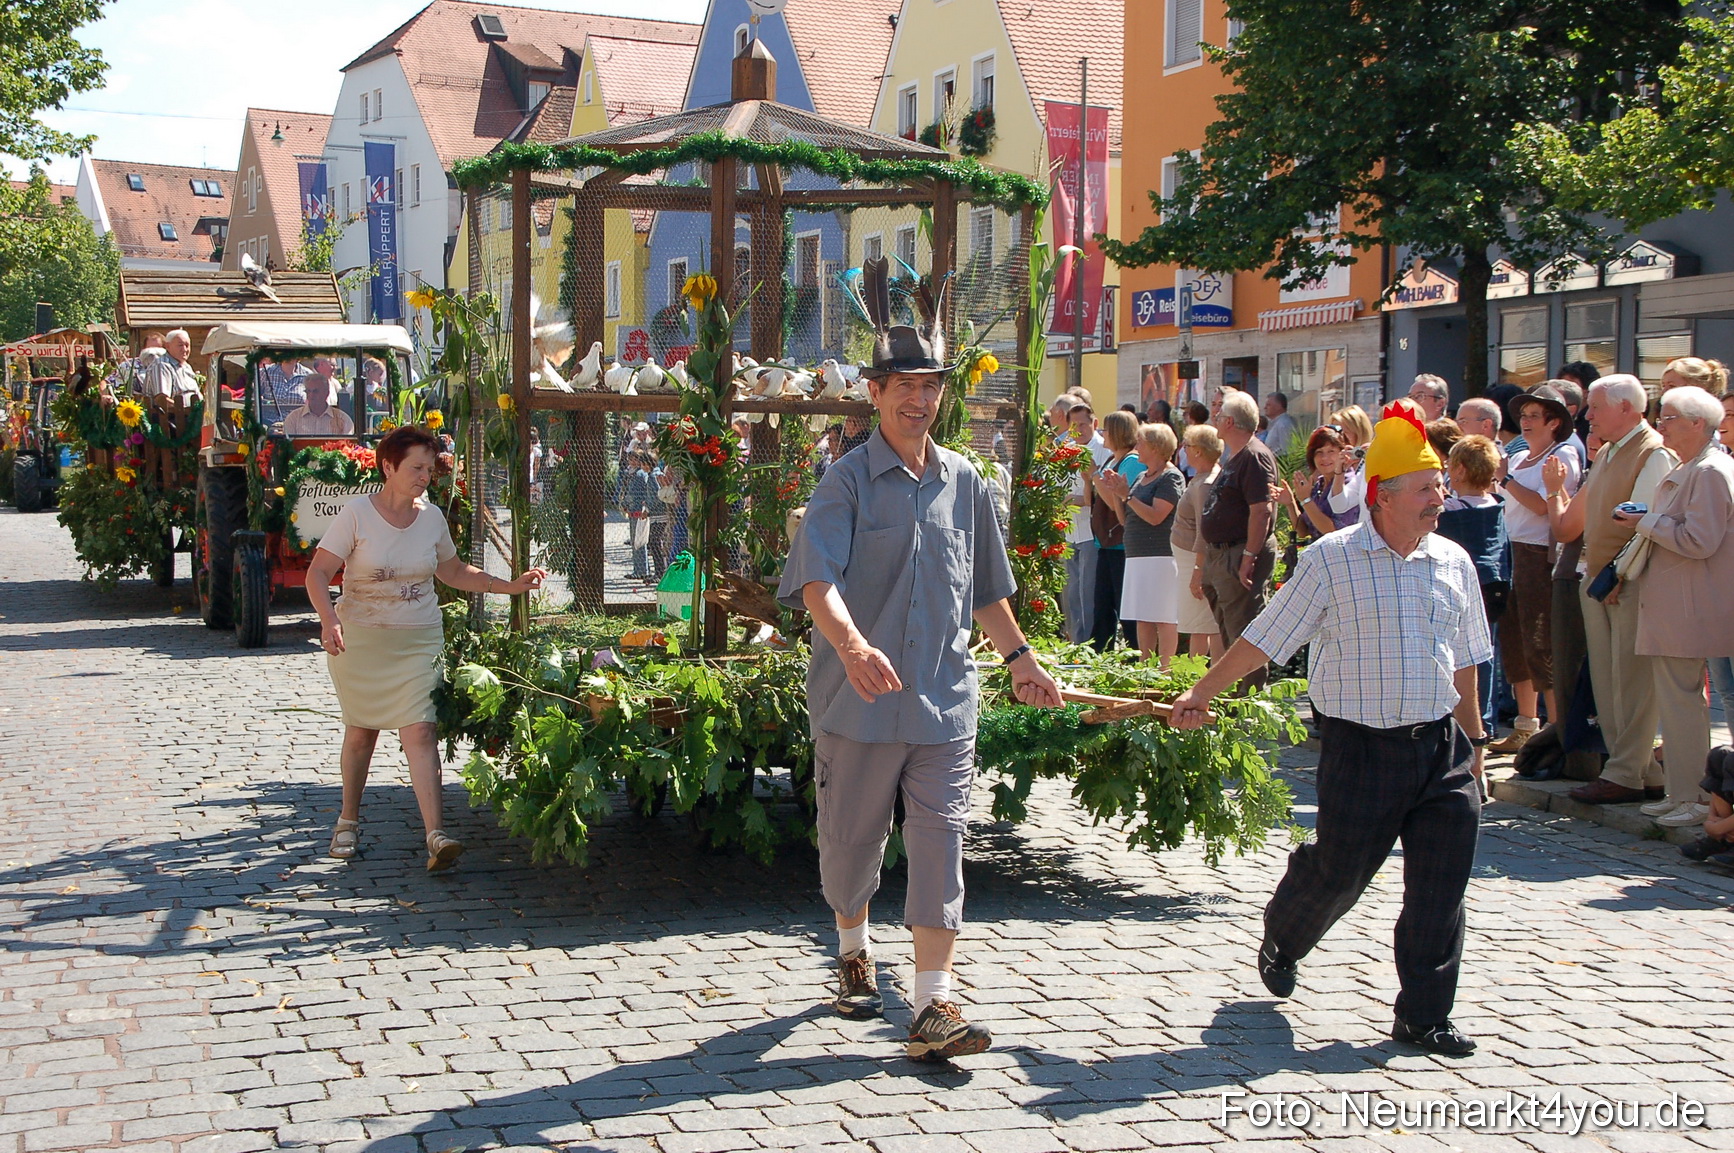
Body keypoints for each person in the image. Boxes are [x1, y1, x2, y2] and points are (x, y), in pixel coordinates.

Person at [776, 258, 1062, 1062]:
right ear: (874, 393)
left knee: (940, 838)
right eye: (904, 384)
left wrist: (1020, 657)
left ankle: (934, 1002)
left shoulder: (964, 482)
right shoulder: (845, 483)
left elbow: (987, 589)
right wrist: (852, 641)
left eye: (931, 385)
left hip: (942, 702)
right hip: (856, 702)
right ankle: (852, 945)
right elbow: (815, 581)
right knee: (851, 845)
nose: (919, 398)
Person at [1169, 401, 1493, 1057]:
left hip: (1440, 747)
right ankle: (1285, 932)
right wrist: (1202, 690)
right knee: (1340, 872)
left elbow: (1464, 662)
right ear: (1384, 496)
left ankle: (1424, 1015)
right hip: (1360, 747)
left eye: (1439, 487)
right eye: (1427, 489)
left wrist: (1477, 746)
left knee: (1440, 886)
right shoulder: (1332, 561)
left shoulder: (1453, 560)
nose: (1439, 497)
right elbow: (1266, 637)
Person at [306, 426, 548, 870]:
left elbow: (453, 571)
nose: (426, 475)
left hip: (418, 638)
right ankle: (347, 821)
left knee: (420, 730)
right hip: (360, 639)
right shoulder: (357, 514)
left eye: (430, 467)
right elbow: (317, 573)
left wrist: (510, 586)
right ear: (388, 466)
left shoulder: (432, 517)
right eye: (416, 467)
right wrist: (329, 620)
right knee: (362, 732)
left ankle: (435, 834)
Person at [1543, 375, 1678, 805]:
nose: (1588, 414)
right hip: (1600, 580)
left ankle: (1625, 772)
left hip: (1626, 581)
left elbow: (1640, 523)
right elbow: (1574, 524)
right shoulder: (1611, 452)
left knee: (1629, 682)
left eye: (1596, 406)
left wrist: (1618, 574)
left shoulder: (1653, 451)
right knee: (1608, 680)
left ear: (1627, 409)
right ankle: (1645, 770)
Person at [1615, 385, 1734, 827]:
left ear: (1696, 423)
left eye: (1667, 417)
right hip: (1679, 604)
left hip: (1692, 605)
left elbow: (1700, 541)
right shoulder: (1696, 467)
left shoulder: (1709, 470)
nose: (1660, 424)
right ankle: (1681, 791)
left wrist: (1644, 520)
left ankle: (1694, 798)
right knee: (1676, 702)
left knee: (1684, 703)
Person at [1489, 385, 1578, 752]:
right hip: (1510, 550)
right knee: (1513, 641)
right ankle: (1527, 723)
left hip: (1538, 554)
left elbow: (1545, 506)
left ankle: (1556, 728)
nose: (1524, 422)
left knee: (1540, 641)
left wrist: (1505, 478)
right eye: (1523, 416)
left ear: (1553, 422)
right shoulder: (1522, 455)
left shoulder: (1563, 455)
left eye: (1533, 416)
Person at [1198, 390, 1278, 688]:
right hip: (1223, 554)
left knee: (1245, 629)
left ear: (1230, 421)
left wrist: (1249, 555)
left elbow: (1262, 511)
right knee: (1231, 629)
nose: (1215, 419)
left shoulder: (1255, 456)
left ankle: (1251, 701)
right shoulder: (1237, 455)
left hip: (1240, 553)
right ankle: (1237, 694)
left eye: (1219, 415)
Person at [1436, 435, 1510, 754]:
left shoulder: (1452, 510)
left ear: (1461, 471)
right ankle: (1487, 721)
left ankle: (1462, 724)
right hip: (1496, 586)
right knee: (1486, 652)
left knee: (1461, 657)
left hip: (1468, 587)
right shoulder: (1496, 505)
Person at [1098, 422, 1184, 669]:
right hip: (1137, 556)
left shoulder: (1171, 476)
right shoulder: (1140, 477)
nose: (1137, 447)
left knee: (1164, 617)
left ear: (1156, 447)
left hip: (1161, 557)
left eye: (1141, 443)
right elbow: (1126, 518)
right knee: (1143, 616)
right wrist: (1116, 492)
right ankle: (1146, 668)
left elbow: (1157, 516)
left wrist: (1127, 496)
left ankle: (1165, 669)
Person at [1086, 410, 1146, 652]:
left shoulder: (1131, 462)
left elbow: (1117, 502)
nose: (1102, 434)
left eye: (1107, 430)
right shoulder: (1111, 460)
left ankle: (1134, 652)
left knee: (1124, 605)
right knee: (1102, 604)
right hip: (1105, 542)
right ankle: (1100, 650)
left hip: (1120, 544)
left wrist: (1094, 475)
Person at [1171, 424, 1223, 660]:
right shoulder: (1200, 478)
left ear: (1199, 451)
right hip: (1188, 560)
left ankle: (1198, 680)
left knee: (1202, 625)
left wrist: (1198, 570)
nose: (1184, 450)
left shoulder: (1205, 484)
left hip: (1195, 561)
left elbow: (1205, 530)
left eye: (1188, 445)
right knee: (1200, 624)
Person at [1061, 398, 1110, 645]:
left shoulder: (1104, 450)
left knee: (1087, 592)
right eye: (1074, 426)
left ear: (1095, 423)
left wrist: (1079, 499)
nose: (1079, 430)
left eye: (1084, 424)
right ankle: (1074, 642)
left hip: (1092, 531)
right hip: (1070, 530)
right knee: (1071, 594)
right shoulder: (1066, 451)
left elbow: (1103, 493)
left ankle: (1089, 644)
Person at [1282, 424, 1359, 538]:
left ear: (1342, 453)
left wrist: (1306, 500)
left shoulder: (1349, 484)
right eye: (1319, 452)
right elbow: (1304, 531)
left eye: (1331, 451)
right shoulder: (1319, 484)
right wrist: (1290, 502)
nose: (1324, 458)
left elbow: (1334, 532)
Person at [283, 363, 356, 437]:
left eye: (315, 391)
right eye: (308, 391)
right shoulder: (293, 419)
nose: (311, 395)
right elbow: (288, 445)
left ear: (326, 393)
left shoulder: (343, 419)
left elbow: (348, 445)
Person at [142, 329, 201, 403]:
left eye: (187, 345)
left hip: (193, 411)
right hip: (173, 413)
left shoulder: (187, 367)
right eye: (180, 345)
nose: (184, 349)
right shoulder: (161, 365)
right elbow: (162, 400)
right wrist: (185, 410)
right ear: (167, 346)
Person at [1260, 391, 1300, 457]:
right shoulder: (1276, 423)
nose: (1265, 407)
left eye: (1268, 405)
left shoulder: (1284, 424)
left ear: (1279, 406)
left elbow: (1289, 451)